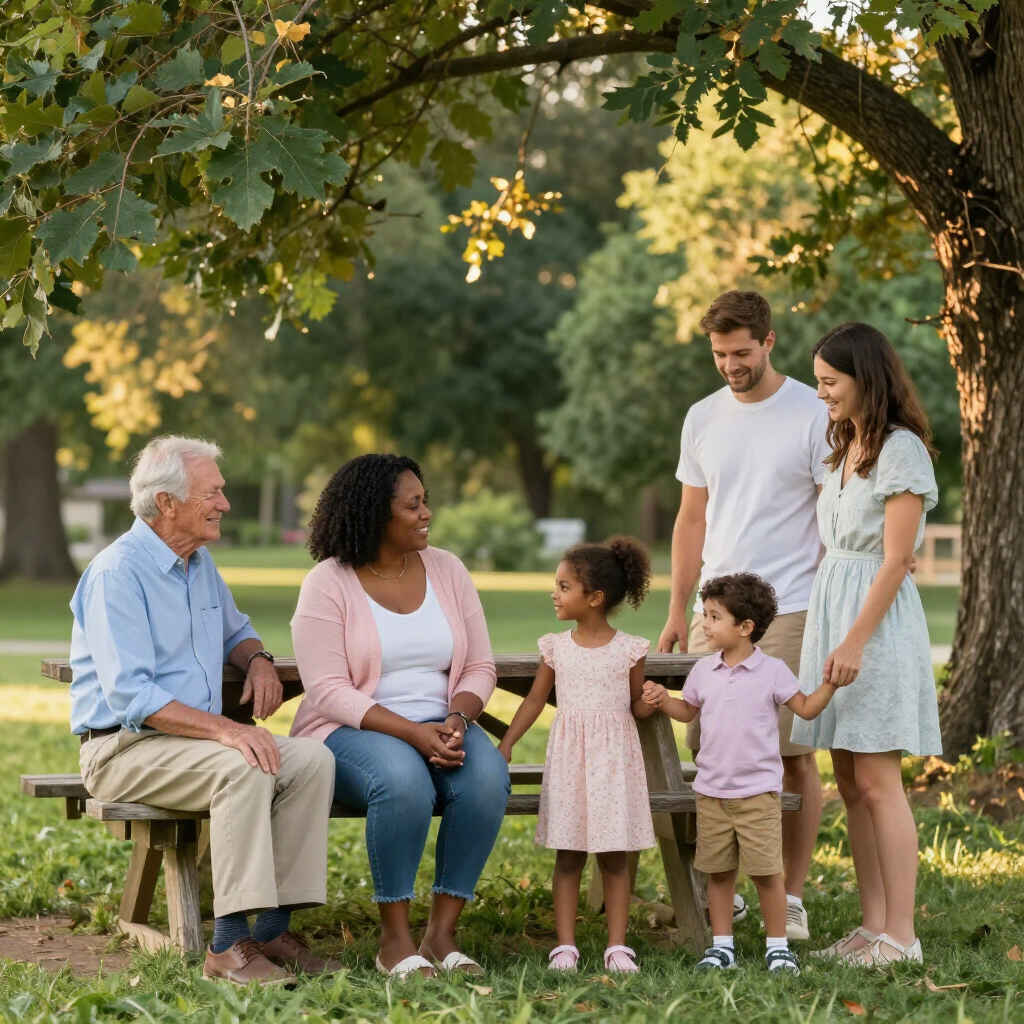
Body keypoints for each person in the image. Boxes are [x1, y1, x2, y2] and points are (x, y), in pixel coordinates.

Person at [70, 436, 339, 987]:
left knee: (312, 759)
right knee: (244, 763)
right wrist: (226, 730)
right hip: (122, 748)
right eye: (212, 492)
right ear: (167, 502)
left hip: (191, 745)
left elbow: (236, 630)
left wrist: (259, 660)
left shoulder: (197, 562)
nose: (224, 503)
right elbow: (131, 697)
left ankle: (271, 927)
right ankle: (227, 945)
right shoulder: (116, 574)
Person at [289, 454, 511, 980]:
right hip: (352, 730)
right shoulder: (328, 583)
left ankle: (441, 935)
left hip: (442, 721)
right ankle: (394, 942)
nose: (425, 513)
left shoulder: (448, 569)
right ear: (373, 514)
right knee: (403, 780)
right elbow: (326, 690)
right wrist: (412, 732)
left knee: (487, 778)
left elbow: (480, 666)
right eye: (412, 505)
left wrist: (457, 719)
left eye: (424, 500)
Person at [657, 289, 829, 940]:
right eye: (719, 354)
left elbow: (828, 511)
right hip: (716, 611)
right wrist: (680, 608)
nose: (730, 364)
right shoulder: (702, 417)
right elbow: (691, 518)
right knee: (712, 747)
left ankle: (791, 892)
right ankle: (716, 883)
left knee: (787, 754)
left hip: (791, 602)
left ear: (769, 341)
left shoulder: (813, 411)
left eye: (741, 352)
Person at [791, 323, 941, 965]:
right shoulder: (845, 444)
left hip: (874, 626)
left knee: (880, 781)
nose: (821, 392)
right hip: (834, 609)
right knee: (849, 780)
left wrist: (853, 642)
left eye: (830, 381)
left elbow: (897, 559)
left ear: (866, 378)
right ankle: (873, 925)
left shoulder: (902, 450)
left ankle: (902, 936)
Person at [644, 574, 837, 974]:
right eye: (706, 614)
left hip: (759, 796)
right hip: (712, 793)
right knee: (718, 874)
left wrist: (831, 684)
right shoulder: (703, 670)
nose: (705, 624)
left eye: (714, 617)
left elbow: (806, 709)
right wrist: (665, 701)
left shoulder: (773, 671)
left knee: (768, 875)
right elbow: (688, 712)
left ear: (745, 628)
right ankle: (722, 946)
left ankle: (778, 947)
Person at [497, 537, 657, 974]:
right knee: (567, 855)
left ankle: (618, 946)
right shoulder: (556, 646)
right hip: (570, 762)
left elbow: (636, 705)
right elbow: (533, 700)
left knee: (614, 856)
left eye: (564, 586)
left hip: (613, 763)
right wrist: (506, 743)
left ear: (595, 598)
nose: (555, 593)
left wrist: (654, 698)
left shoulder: (630, 648)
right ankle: (564, 946)